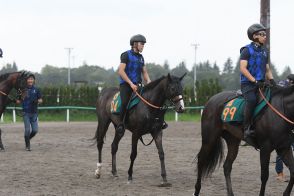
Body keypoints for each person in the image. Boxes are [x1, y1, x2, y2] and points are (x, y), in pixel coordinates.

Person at [116, 34, 168, 137]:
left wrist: (149, 82)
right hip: (126, 85)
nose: (143, 46)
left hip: (138, 85)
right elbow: (121, 71)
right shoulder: (125, 55)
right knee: (125, 102)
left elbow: (144, 72)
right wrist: (130, 83)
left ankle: (159, 121)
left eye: (144, 44)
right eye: (141, 44)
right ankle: (121, 124)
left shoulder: (141, 58)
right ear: (135, 44)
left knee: (152, 99)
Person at [239, 23, 275, 147]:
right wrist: (254, 81)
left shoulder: (265, 51)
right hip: (248, 84)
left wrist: (273, 81)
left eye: (265, 34)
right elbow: (243, 69)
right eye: (262, 34)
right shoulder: (246, 50)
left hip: (261, 84)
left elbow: (267, 69)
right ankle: (246, 129)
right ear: (255, 36)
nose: (265, 37)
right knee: (252, 100)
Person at [16, 73, 43, 151]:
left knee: (35, 130)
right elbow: (19, 100)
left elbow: (41, 99)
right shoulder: (22, 90)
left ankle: (27, 140)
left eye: (32, 79)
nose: (30, 80)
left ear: (34, 80)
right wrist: (16, 100)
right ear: (26, 80)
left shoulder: (37, 89)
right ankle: (28, 146)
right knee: (27, 130)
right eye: (29, 79)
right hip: (26, 113)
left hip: (34, 113)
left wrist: (37, 101)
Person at [275, 74, 294, 182]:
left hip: (289, 125)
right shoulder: (283, 87)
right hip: (283, 125)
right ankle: (280, 173)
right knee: (281, 151)